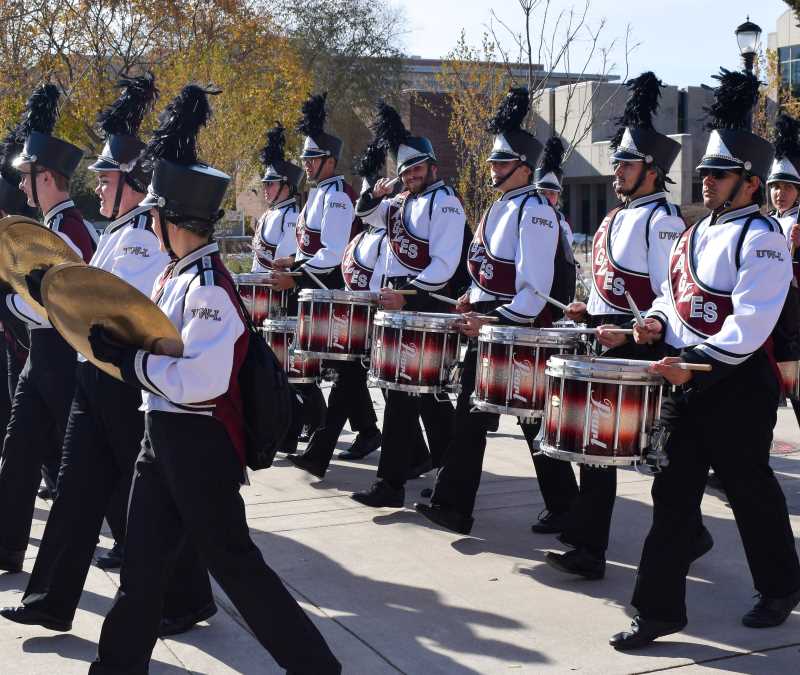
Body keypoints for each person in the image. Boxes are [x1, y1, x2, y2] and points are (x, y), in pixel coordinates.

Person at [85, 84, 340, 674]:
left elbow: (198, 380)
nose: (148, 222)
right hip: (164, 438)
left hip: (199, 444)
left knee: (237, 567)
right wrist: (124, 344)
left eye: (154, 214)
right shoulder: (179, 276)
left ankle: (316, 667)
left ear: (174, 220)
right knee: (144, 569)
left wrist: (128, 363)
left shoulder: (209, 291)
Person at [0, 73, 215, 638]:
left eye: (105, 178)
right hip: (91, 375)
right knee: (74, 488)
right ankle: (50, 600)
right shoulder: (120, 232)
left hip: (121, 380)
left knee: (149, 498)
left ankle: (190, 595)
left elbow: (127, 312)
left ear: (132, 183)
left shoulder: (144, 237)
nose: (95, 188)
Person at [610, 68, 800, 650]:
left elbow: (749, 326)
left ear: (747, 180)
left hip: (737, 385)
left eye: (717, 174)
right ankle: (659, 610)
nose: (707, 181)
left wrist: (687, 360)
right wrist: (651, 324)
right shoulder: (693, 232)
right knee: (671, 496)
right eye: (705, 174)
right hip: (688, 380)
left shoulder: (763, 237)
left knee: (750, 490)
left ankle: (781, 586)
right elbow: (673, 296)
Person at [531, 73, 712, 582]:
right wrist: (586, 311)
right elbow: (606, 286)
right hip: (604, 338)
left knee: (652, 453)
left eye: (626, 164)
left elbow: (670, 295)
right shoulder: (613, 217)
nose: (616, 171)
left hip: (639, 346)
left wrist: (633, 333)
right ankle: (590, 548)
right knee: (595, 448)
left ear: (652, 171)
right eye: (615, 163)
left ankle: (686, 530)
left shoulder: (664, 221)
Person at [415, 87, 560, 534]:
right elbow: (489, 270)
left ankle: (457, 505)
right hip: (490, 328)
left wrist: (491, 319)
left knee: (513, 421)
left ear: (523, 166)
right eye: (493, 162)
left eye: (501, 163)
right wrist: (471, 297)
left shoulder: (535, 209)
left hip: (514, 332)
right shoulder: (501, 205)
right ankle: (561, 506)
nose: (493, 169)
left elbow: (534, 292)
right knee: (495, 419)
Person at [0, 83, 98, 572]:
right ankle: (7, 547)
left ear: (49, 179)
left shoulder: (73, 232)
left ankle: (131, 534)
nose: (21, 187)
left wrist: (11, 306)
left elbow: (65, 304)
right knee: (17, 451)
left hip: (63, 353)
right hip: (41, 355)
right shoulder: (51, 228)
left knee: (87, 459)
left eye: (27, 177)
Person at [350, 101, 464, 508]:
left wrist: (407, 294)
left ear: (432, 167)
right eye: (405, 171)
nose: (412, 176)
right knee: (406, 395)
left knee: (426, 395)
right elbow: (365, 215)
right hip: (399, 302)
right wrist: (372, 190)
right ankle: (403, 482)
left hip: (426, 301)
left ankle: (409, 482)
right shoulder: (398, 203)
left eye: (417, 169)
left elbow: (446, 264)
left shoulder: (445, 201)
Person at [268, 93, 381, 468]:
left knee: (345, 367)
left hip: (331, 289)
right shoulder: (319, 194)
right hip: (316, 286)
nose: (307, 165)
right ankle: (368, 432)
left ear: (330, 162)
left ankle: (324, 447)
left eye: (313, 159)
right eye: (305, 159)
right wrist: (293, 261)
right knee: (345, 368)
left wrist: (295, 272)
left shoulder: (336, 197)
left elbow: (332, 253)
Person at [252, 121, 326, 454]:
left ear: (286, 186)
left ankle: (314, 421)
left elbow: (286, 261)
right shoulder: (270, 214)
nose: (265, 188)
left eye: (271, 183)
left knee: (290, 366)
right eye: (265, 182)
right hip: (265, 296)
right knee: (276, 366)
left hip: (284, 297)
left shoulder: (290, 216)